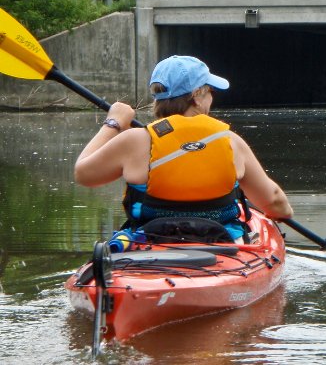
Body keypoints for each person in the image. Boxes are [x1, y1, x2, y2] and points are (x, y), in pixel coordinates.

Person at [74, 55, 293, 243]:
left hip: (149, 243)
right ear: (196, 96)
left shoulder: (135, 140)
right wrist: (283, 213)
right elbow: (273, 201)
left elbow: (84, 174)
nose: (212, 98)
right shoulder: (230, 141)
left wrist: (113, 123)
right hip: (222, 245)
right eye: (210, 91)